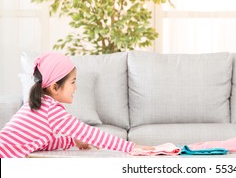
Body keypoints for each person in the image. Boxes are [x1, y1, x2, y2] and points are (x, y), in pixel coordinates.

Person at [0, 52, 153, 158]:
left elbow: (39, 143)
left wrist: (71, 141)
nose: (76, 87)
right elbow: (91, 134)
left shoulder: (38, 105)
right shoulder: (52, 111)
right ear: (54, 87)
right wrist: (130, 147)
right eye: (72, 82)